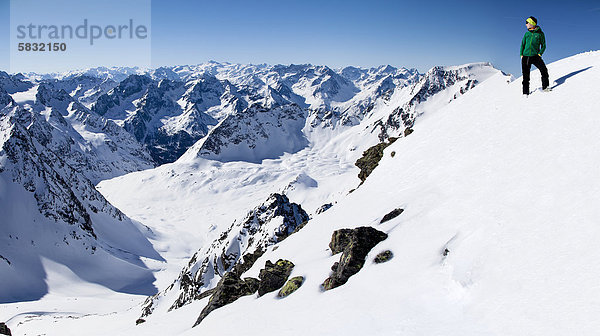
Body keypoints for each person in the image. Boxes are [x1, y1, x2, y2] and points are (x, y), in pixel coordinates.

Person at [520, 16, 550, 95]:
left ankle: (545, 88)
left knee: (544, 70)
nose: (526, 24)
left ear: (532, 24)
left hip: (535, 57)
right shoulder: (527, 34)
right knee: (526, 77)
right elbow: (522, 44)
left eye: (527, 22)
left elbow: (544, 45)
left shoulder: (540, 34)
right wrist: (521, 54)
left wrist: (540, 54)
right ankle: (525, 93)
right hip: (525, 57)